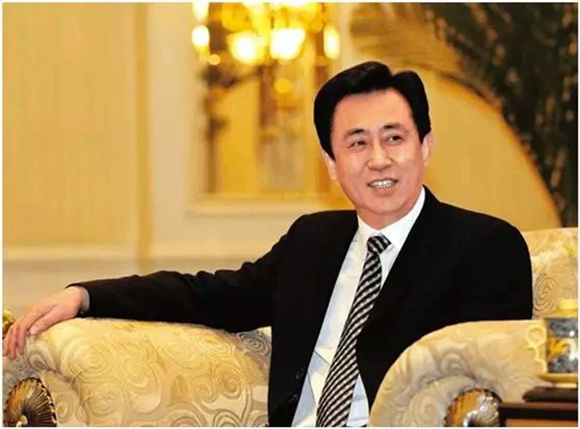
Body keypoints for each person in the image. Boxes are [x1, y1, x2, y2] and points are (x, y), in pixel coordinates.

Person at [3, 61, 533, 427]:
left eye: (394, 137)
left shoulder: (484, 247)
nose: (378, 158)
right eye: (357, 143)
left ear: (425, 146)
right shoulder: (314, 242)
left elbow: (490, 380)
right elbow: (208, 295)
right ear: (332, 164)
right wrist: (85, 296)